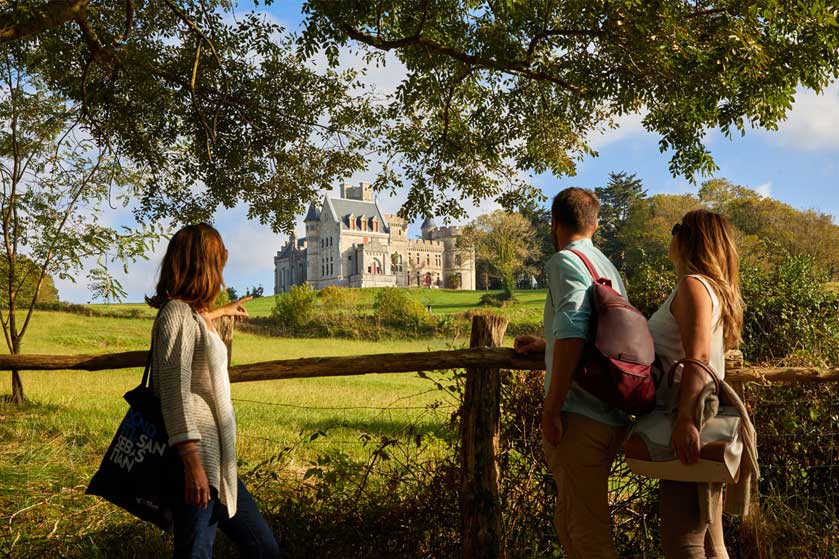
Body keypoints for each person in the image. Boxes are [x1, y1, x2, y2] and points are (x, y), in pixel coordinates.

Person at [147, 223, 280, 559]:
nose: (221, 272)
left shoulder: (189, 315)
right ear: (202, 265)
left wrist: (223, 311)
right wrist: (192, 463)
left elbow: (198, 328)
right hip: (197, 461)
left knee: (263, 548)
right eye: (217, 262)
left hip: (220, 464)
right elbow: (175, 394)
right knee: (196, 553)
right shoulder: (176, 314)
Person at [515, 187, 630, 559]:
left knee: (587, 534)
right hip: (610, 410)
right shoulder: (605, 266)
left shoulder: (566, 261)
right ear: (595, 225)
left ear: (555, 223)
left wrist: (551, 408)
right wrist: (548, 346)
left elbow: (573, 331)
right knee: (570, 523)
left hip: (580, 417)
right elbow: (596, 336)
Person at [647, 210, 744, 558]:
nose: (672, 238)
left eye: (677, 230)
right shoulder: (715, 289)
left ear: (689, 240)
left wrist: (686, 420)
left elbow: (698, 357)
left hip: (688, 414)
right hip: (698, 411)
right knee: (709, 539)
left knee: (682, 540)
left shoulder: (694, 286)